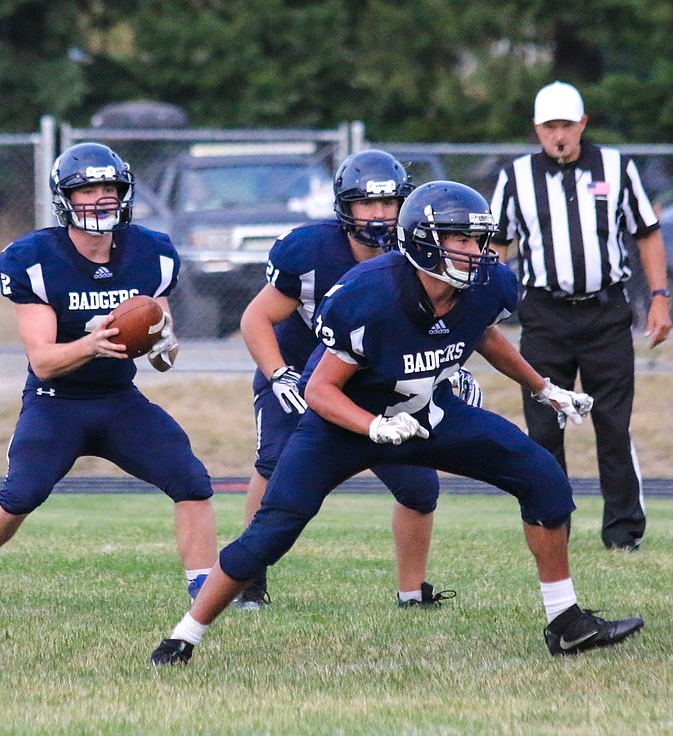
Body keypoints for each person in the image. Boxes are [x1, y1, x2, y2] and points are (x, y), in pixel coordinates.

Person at [150, 181, 644, 666]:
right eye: (462, 240)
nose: (478, 251)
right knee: (271, 532)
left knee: (541, 476)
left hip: (428, 412)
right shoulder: (371, 294)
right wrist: (371, 427)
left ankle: (566, 623)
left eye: (478, 238)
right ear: (425, 243)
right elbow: (319, 390)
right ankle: (183, 637)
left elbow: (484, 333)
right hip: (343, 426)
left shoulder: (486, 284)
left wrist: (543, 387)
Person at [0, 142, 218, 620]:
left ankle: (205, 597)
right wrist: (94, 342)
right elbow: (43, 362)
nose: (100, 199)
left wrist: (162, 343)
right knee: (21, 495)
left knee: (191, 481)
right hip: (56, 400)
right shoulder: (35, 259)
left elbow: (165, 356)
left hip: (118, 397)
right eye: (87, 189)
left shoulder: (151, 253)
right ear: (65, 198)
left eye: (109, 188)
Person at [236, 149, 469, 610]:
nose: (380, 215)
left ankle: (411, 593)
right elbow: (255, 318)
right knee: (275, 468)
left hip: (382, 384)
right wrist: (278, 373)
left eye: (389, 203)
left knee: (420, 489)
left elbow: (441, 323)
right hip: (302, 377)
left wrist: (452, 369)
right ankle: (248, 582)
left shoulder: (418, 253)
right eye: (368, 203)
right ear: (345, 206)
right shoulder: (309, 252)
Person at [490, 81, 672, 551]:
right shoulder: (516, 178)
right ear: (536, 130)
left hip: (605, 312)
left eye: (566, 125)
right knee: (544, 426)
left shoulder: (615, 168)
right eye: (549, 127)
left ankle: (623, 533)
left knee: (613, 424)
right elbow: (496, 246)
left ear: (582, 124)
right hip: (545, 316)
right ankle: (552, 526)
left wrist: (659, 296)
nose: (559, 136)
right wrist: (484, 301)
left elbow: (647, 233)